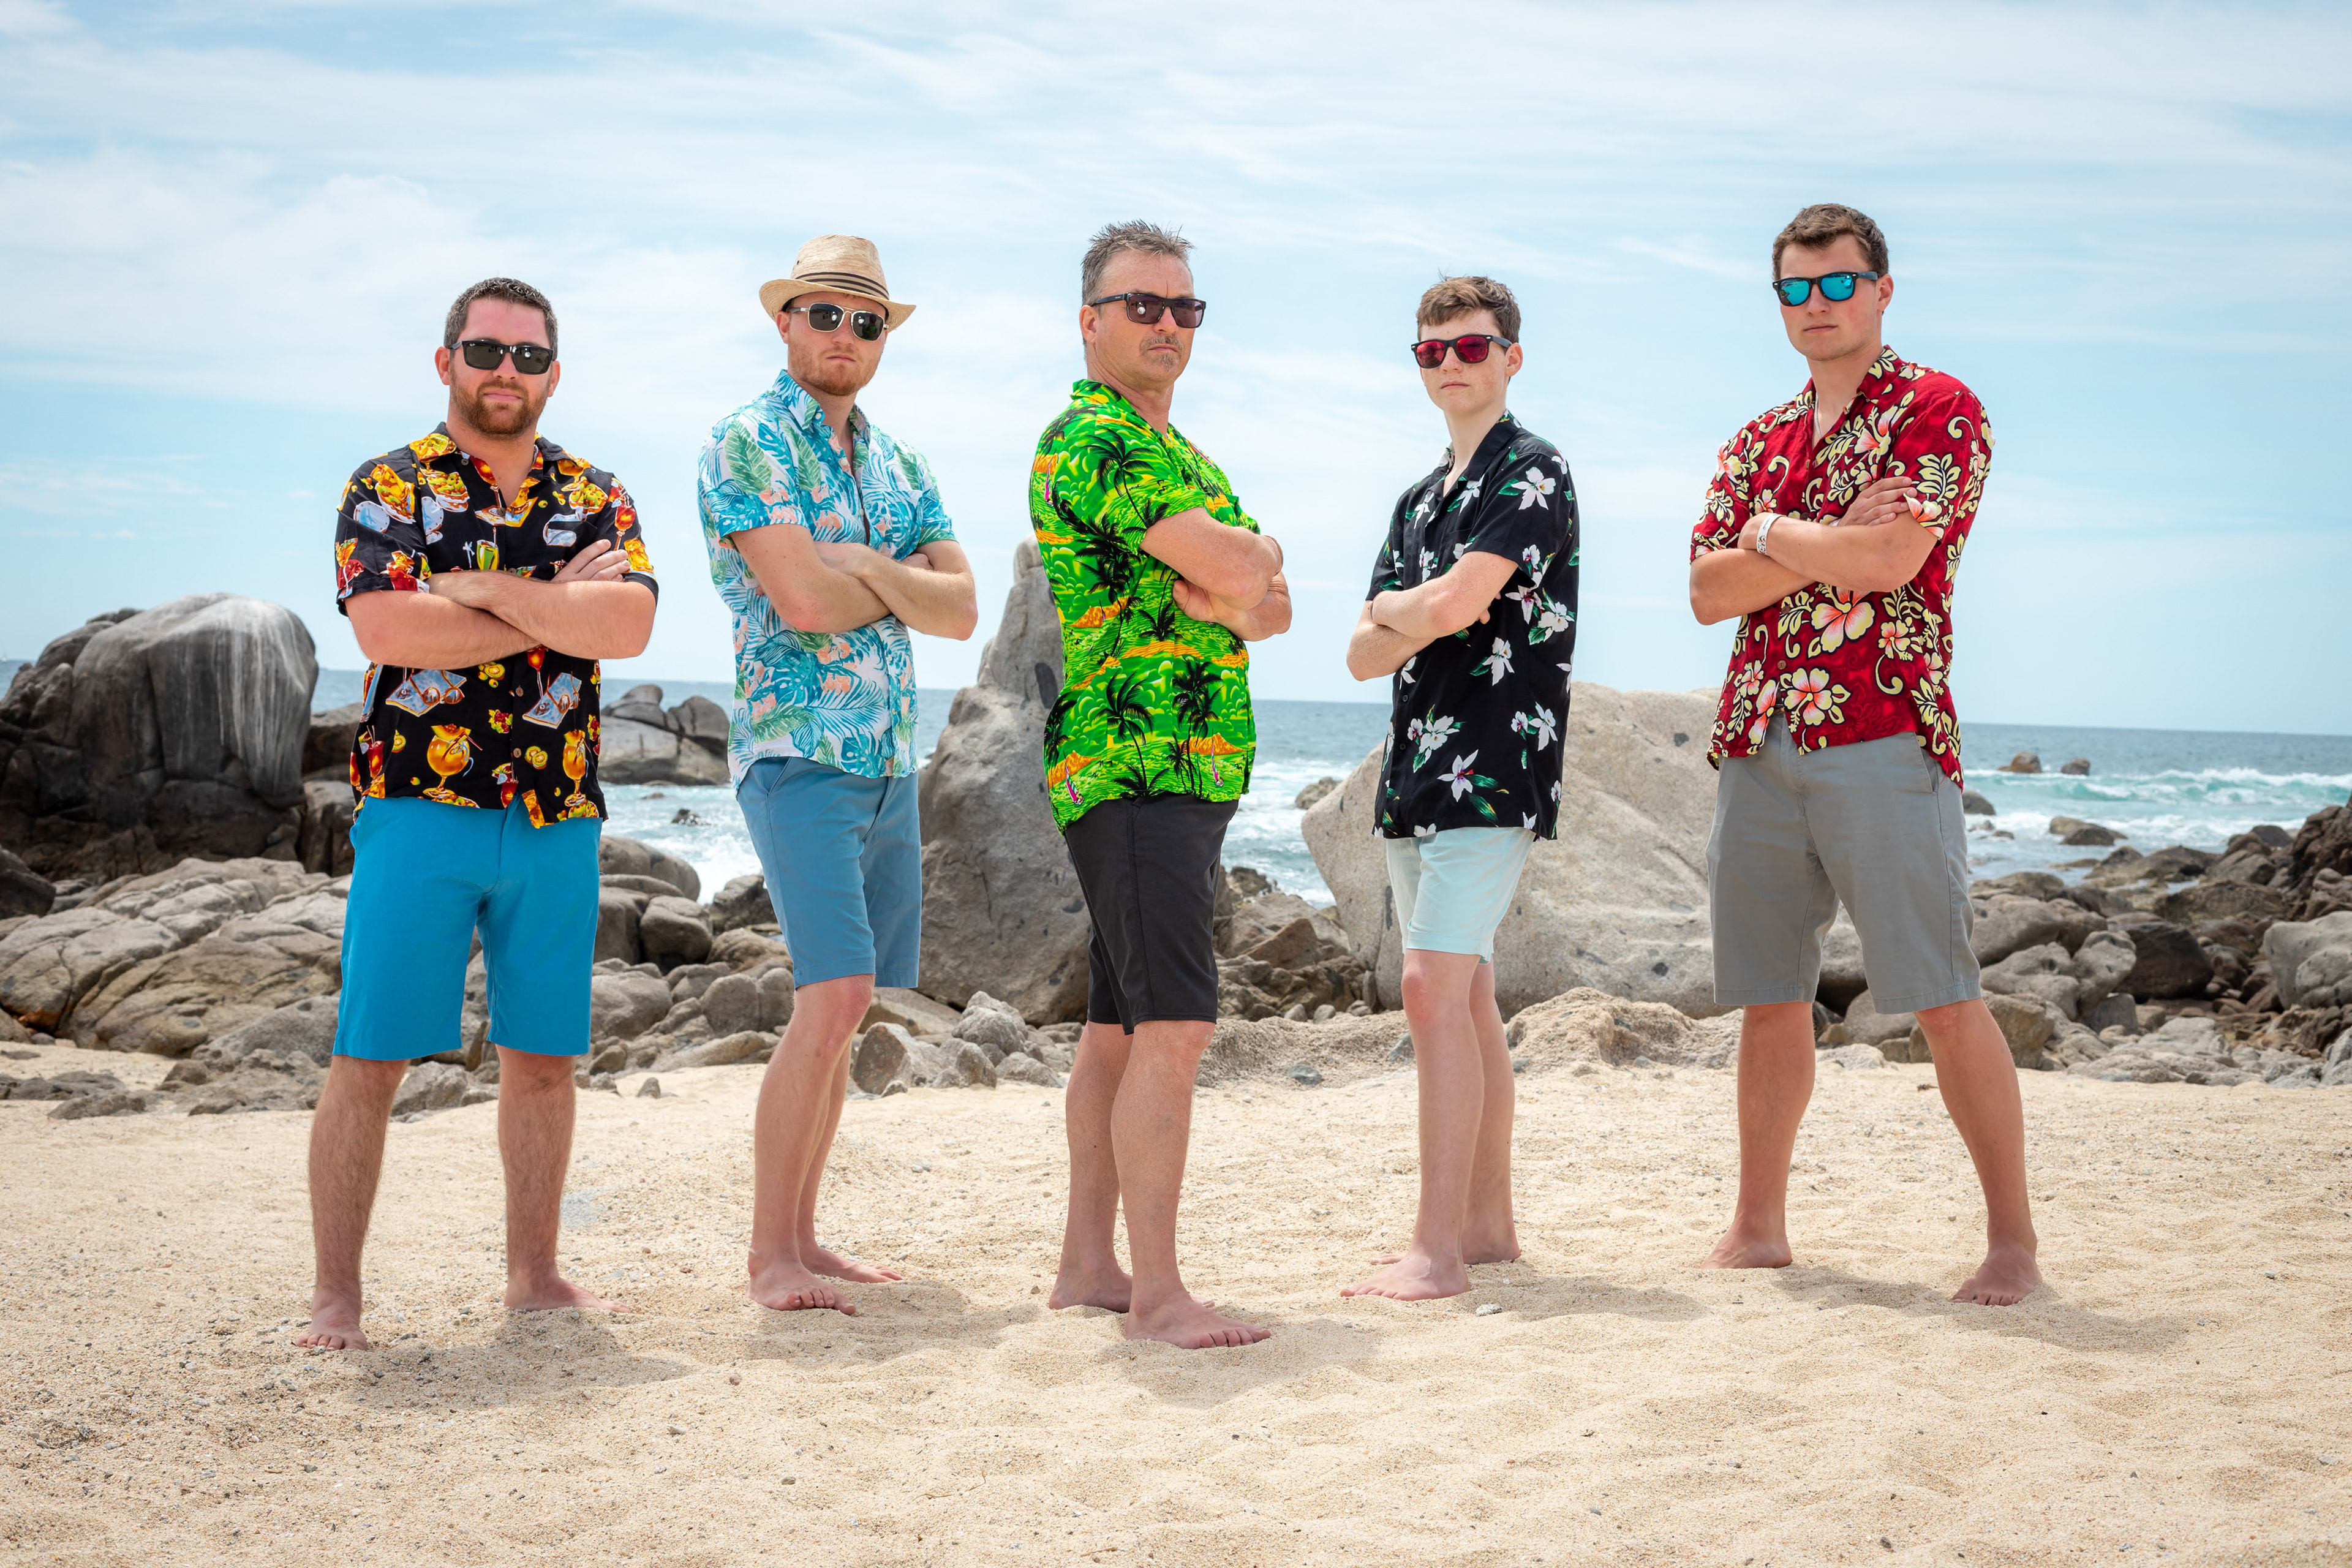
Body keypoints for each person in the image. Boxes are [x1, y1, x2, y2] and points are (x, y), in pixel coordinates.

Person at [300, 277, 658, 1351]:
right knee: (371, 1055)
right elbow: (386, 632)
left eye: (529, 356)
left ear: (554, 373)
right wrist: (555, 604)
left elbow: (629, 627)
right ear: (447, 359)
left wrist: (476, 589)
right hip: (419, 805)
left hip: (557, 812)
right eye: (488, 350)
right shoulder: (388, 485)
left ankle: (535, 1278)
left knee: (543, 1058)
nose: (508, 371)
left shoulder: (597, 490)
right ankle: (336, 1299)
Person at [1688, 203, 2035, 1306]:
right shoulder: (1758, 438)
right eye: (1795, 289)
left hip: (1884, 729)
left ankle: (2013, 1245)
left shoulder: (1938, 407)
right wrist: (1825, 535)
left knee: (1942, 993)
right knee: (1769, 998)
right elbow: (1708, 592)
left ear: (1883, 289)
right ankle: (1758, 1228)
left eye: (1838, 283)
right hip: (1761, 735)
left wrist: (1773, 532)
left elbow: (1891, 562)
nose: (1817, 305)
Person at [697, 235, 978, 1315]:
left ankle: (805, 1237)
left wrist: (858, 563)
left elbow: (961, 612)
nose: (846, 336)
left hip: (888, 760)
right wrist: (893, 579)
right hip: (796, 750)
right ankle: (770, 1255)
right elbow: (803, 604)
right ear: (787, 321)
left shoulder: (900, 462)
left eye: (866, 322)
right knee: (834, 995)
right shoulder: (749, 441)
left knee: (853, 1006)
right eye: (826, 315)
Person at [1033, 221, 1290, 1349]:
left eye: (1185, 308)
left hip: (1185, 770)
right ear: (1090, 322)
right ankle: (1160, 1295)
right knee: (1177, 1028)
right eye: (1143, 305)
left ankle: (1090, 1267)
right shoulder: (1093, 437)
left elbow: (1274, 610)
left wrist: (1239, 582)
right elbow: (1248, 571)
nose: (1168, 325)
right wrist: (1238, 570)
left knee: (1120, 1029)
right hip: (1135, 764)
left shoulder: (1187, 458)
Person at [1341, 276, 1578, 1301]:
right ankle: (1485, 1231)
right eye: (1431, 350)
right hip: (1416, 771)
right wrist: (1423, 606)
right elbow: (1360, 653)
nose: (1450, 364)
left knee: (1431, 989)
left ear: (1511, 357)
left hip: (1495, 766)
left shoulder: (1534, 470)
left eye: (1471, 347)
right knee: (1468, 994)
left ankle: (1436, 1253)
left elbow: (1456, 604)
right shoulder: (1417, 500)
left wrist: (1413, 606)